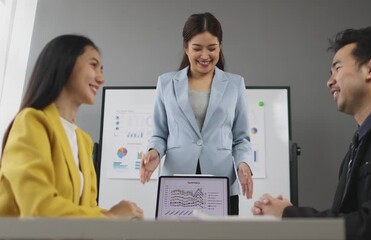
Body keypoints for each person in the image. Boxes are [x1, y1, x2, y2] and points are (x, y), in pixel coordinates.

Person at [252, 26, 371, 240]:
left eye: (337, 68)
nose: (330, 81)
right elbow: (347, 222)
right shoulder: (359, 144)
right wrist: (286, 213)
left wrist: (289, 215)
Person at [0, 34, 144, 219]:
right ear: (64, 63)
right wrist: (112, 217)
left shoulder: (83, 140)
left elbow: (87, 209)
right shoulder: (31, 122)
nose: (101, 78)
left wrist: (125, 216)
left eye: (102, 69)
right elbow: (38, 208)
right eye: (93, 65)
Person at [139, 12, 253, 215]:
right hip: (177, 182)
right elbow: (159, 134)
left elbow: (241, 138)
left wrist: (243, 164)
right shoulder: (166, 83)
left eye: (212, 48)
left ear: (220, 47)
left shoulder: (235, 84)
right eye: (197, 48)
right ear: (186, 48)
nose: (205, 56)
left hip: (222, 183)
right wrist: (154, 153)